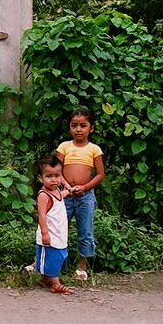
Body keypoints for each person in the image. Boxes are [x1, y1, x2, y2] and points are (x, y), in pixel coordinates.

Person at [57, 107, 105, 280]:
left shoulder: (94, 149)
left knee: (85, 231)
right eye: (74, 125)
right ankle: (55, 265)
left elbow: (100, 174)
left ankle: (82, 267)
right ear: (69, 127)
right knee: (59, 229)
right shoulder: (64, 147)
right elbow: (57, 170)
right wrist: (67, 186)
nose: (78, 129)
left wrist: (84, 187)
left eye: (83, 125)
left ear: (91, 128)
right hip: (65, 195)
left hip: (86, 197)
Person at [33, 151, 74, 295]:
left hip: (59, 234)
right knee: (52, 258)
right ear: (41, 178)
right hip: (49, 235)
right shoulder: (44, 195)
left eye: (57, 175)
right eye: (49, 176)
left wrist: (68, 192)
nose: (54, 180)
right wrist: (45, 233)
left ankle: (45, 280)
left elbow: (59, 197)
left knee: (58, 256)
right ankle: (56, 283)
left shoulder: (56, 191)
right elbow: (42, 215)